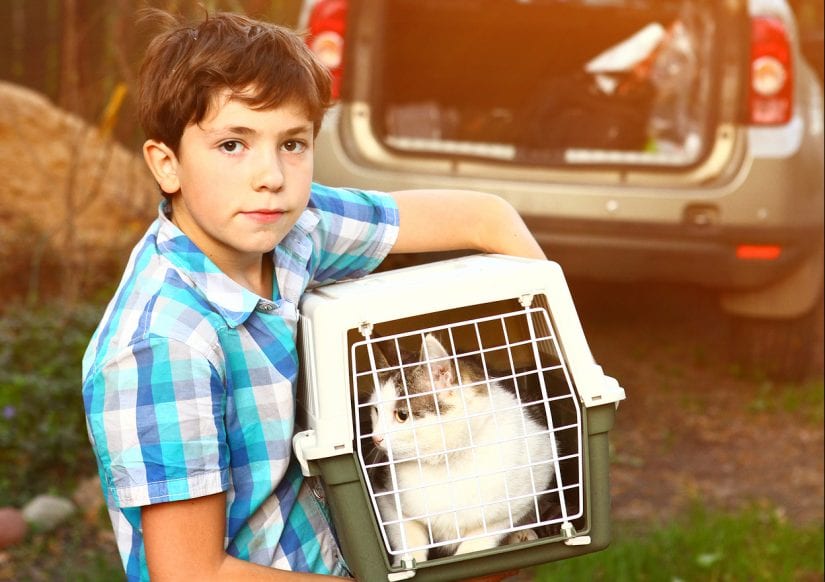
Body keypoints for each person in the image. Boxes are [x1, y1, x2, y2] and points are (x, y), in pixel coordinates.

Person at [81, 9, 545, 582]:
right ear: (167, 164)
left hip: (338, 548)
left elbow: (486, 215)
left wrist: (562, 367)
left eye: (293, 143)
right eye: (232, 144)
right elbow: (191, 575)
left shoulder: (292, 229)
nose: (270, 175)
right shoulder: (163, 347)